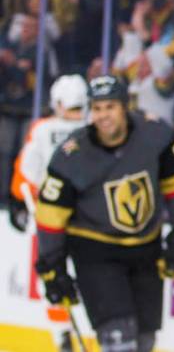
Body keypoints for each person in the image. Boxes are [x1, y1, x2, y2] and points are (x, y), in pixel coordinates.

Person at [34, 76, 174, 352]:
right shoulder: (71, 155)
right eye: (97, 109)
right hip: (96, 253)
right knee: (118, 340)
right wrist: (53, 266)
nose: (103, 116)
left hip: (147, 248)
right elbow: (50, 215)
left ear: (125, 107)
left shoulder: (155, 135)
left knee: (145, 341)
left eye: (110, 107)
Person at [8, 74, 88, 352]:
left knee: (53, 277)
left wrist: (22, 201)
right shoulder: (95, 128)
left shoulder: (43, 129)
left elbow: (23, 179)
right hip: (91, 220)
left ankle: (62, 334)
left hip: (49, 219)